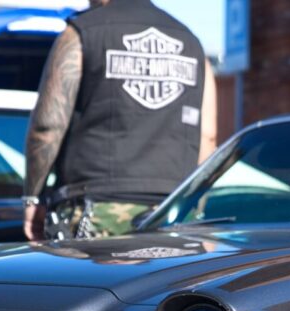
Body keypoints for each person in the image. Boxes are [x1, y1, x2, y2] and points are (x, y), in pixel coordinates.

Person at [23, 0, 217, 241]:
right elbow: (208, 136)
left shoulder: (82, 32)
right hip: (174, 214)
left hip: (96, 211)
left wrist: (33, 198)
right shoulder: (192, 43)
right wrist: (193, 205)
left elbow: (48, 126)